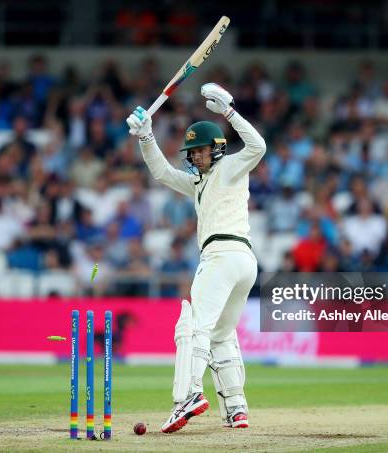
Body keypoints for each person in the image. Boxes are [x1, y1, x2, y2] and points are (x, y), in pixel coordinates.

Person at [126, 83, 266, 433]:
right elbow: (162, 173)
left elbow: (258, 146)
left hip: (222, 255)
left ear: (217, 149)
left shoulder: (232, 167)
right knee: (220, 334)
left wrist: (230, 112)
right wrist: (146, 138)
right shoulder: (198, 182)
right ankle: (236, 408)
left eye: (201, 151)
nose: (196, 157)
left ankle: (187, 397)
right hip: (242, 262)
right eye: (192, 152)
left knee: (192, 326)